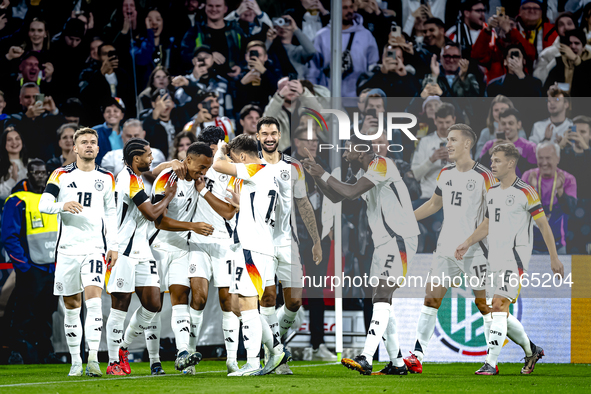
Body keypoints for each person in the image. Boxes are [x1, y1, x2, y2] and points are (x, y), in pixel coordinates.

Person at [302, 134, 420, 375]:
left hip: (399, 239)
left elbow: (352, 192)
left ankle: (366, 356)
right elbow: (339, 196)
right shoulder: (361, 173)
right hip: (382, 242)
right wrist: (317, 177)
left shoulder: (382, 164)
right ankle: (397, 364)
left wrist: (323, 173)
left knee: (382, 294)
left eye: (348, 151)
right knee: (381, 299)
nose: (345, 155)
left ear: (362, 153)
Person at [455, 143, 564, 375]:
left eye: (497, 160)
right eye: (492, 160)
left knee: (497, 305)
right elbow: (486, 224)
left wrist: (554, 258)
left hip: (515, 261)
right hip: (494, 259)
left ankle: (491, 364)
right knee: (499, 312)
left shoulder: (526, 191)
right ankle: (531, 349)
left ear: (511, 163)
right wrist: (467, 242)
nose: (492, 164)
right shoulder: (492, 192)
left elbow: (543, 226)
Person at [403, 124, 499, 373]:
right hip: (446, 248)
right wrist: (407, 219)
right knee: (431, 298)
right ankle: (417, 355)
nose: (448, 144)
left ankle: (494, 359)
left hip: (475, 250)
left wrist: (469, 242)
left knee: (485, 305)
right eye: (447, 140)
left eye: (453, 140)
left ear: (468, 144)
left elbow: (491, 219)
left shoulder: (485, 177)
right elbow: (434, 204)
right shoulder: (445, 173)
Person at [155, 127, 239, 374]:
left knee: (227, 301)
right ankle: (189, 356)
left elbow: (229, 211)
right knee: (198, 298)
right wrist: (171, 163)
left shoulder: (231, 171)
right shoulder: (192, 170)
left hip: (225, 243)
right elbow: (159, 172)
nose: (209, 162)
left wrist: (204, 189)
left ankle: (232, 360)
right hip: (196, 243)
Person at [38, 127, 118, 377]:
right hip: (67, 250)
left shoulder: (106, 177)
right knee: (71, 306)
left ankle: (93, 359)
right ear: (74, 148)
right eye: (83, 142)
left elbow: (112, 213)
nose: (89, 146)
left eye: (93, 142)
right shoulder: (60, 174)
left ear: (98, 147)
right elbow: (44, 204)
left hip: (94, 248)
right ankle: (75, 361)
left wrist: (113, 244)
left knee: (94, 303)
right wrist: (63, 205)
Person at [212, 134, 288, 376]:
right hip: (259, 246)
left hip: (252, 248)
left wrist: (222, 149)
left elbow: (217, 165)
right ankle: (276, 350)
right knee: (237, 305)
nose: (233, 164)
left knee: (246, 303)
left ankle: (253, 362)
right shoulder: (270, 174)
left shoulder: (255, 168)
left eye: (235, 159)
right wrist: (241, 202)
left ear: (243, 157)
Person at [105, 137, 177, 376]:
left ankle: (123, 347)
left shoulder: (136, 177)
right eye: (147, 154)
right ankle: (113, 361)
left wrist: (170, 167)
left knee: (153, 303)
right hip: (122, 249)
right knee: (120, 306)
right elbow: (150, 214)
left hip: (141, 249)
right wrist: (168, 196)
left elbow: (151, 206)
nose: (151, 158)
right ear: (136, 159)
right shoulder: (128, 179)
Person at [256, 117, 322, 375]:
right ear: (258, 136)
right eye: (264, 133)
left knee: (294, 301)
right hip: (260, 242)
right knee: (268, 298)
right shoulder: (250, 163)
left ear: (280, 135)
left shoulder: (293, 166)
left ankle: (275, 344)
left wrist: (316, 241)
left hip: (288, 241)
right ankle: (275, 354)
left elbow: (303, 204)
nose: (269, 137)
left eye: (273, 133)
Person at [1, 159, 58, 364]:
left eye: (43, 172)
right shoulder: (18, 200)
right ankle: (16, 351)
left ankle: (45, 352)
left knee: (46, 313)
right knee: (24, 313)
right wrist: (23, 266)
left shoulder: (54, 199)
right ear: (29, 174)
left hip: (52, 267)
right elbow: (8, 236)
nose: (40, 176)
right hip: (31, 267)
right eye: (35, 172)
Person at [307, 0, 379, 98]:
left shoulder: (366, 35)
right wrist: (312, 93)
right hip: (328, 96)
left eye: (351, 7)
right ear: (335, 10)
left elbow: (373, 66)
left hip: (358, 97)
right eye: (345, 8)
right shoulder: (322, 36)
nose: (349, 11)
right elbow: (313, 69)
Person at [411, 103, 455, 252]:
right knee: (404, 217)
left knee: (439, 225)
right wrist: (431, 159)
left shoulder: (462, 143)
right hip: (427, 197)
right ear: (435, 120)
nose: (444, 126)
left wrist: (454, 160)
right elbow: (415, 174)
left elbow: (470, 173)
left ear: (454, 120)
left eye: (448, 122)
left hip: (451, 200)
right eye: (441, 122)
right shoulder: (426, 142)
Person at [523, 142, 577, 254]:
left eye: (548, 158)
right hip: (531, 244)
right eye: (540, 158)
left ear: (558, 158)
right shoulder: (528, 176)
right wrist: (532, 190)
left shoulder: (567, 179)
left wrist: (561, 192)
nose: (544, 163)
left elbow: (570, 209)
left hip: (557, 245)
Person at [180, 0, 243, 78]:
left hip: (232, 83)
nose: (214, 9)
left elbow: (246, 54)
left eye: (218, 6)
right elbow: (184, 56)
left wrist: (241, 68)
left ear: (225, 9)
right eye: (210, 6)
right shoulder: (195, 31)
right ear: (205, 7)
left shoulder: (235, 31)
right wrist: (206, 56)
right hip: (203, 83)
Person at [101, 119, 166, 193]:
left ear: (143, 134)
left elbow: (163, 183)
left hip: (150, 200)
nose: (133, 139)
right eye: (129, 136)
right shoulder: (110, 156)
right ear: (122, 136)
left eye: (136, 135)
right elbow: (105, 185)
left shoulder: (157, 154)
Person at [80, 43, 136, 124]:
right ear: (98, 57)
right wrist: (101, 74)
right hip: (97, 118)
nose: (110, 57)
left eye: (112, 53)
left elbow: (130, 99)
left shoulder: (123, 75)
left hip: (121, 119)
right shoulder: (89, 73)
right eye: (105, 54)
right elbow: (86, 97)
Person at [263, 77, 323, 152]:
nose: (290, 91)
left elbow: (319, 112)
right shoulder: (275, 109)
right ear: (278, 91)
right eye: (286, 87)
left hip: (304, 153)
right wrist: (279, 97)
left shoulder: (305, 108)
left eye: (293, 87)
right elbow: (265, 121)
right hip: (282, 154)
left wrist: (304, 92)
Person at [479, 108, 537, 177]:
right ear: (499, 125)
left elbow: (532, 174)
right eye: (503, 124)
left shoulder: (529, 147)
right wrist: (489, 154)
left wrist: (514, 152)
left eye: (510, 123)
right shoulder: (489, 145)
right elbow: (479, 171)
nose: (507, 126)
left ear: (519, 124)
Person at [533, 12, 579, 85]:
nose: (566, 27)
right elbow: (538, 80)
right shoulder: (547, 53)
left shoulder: (588, 51)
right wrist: (559, 59)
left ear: (576, 26)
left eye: (569, 23)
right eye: (561, 25)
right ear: (557, 29)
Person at [235, 40, 282, 111]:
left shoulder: (273, 72)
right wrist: (242, 83)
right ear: (246, 57)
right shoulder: (238, 73)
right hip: (245, 114)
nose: (255, 58)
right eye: (252, 55)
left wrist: (264, 71)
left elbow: (278, 92)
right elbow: (236, 104)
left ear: (265, 57)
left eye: (258, 55)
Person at [266, 13, 316, 79]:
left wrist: (295, 28)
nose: (282, 27)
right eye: (280, 22)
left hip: (296, 86)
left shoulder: (297, 51)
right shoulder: (271, 50)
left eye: (286, 23)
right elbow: (261, 57)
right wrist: (268, 40)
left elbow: (311, 51)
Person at [544, 29, 591, 97]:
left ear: (583, 47)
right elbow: (545, 91)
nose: (573, 46)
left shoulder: (589, 65)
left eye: (577, 43)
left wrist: (576, 60)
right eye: (570, 43)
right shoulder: (558, 65)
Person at [93, 98, 126, 164]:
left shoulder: (128, 131)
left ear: (122, 115)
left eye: (115, 111)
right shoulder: (95, 132)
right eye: (108, 111)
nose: (111, 114)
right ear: (104, 114)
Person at [0, 127, 28, 200]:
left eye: (17, 138)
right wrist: (12, 179)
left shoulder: (31, 163)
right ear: (4, 143)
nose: (14, 142)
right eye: (9, 140)